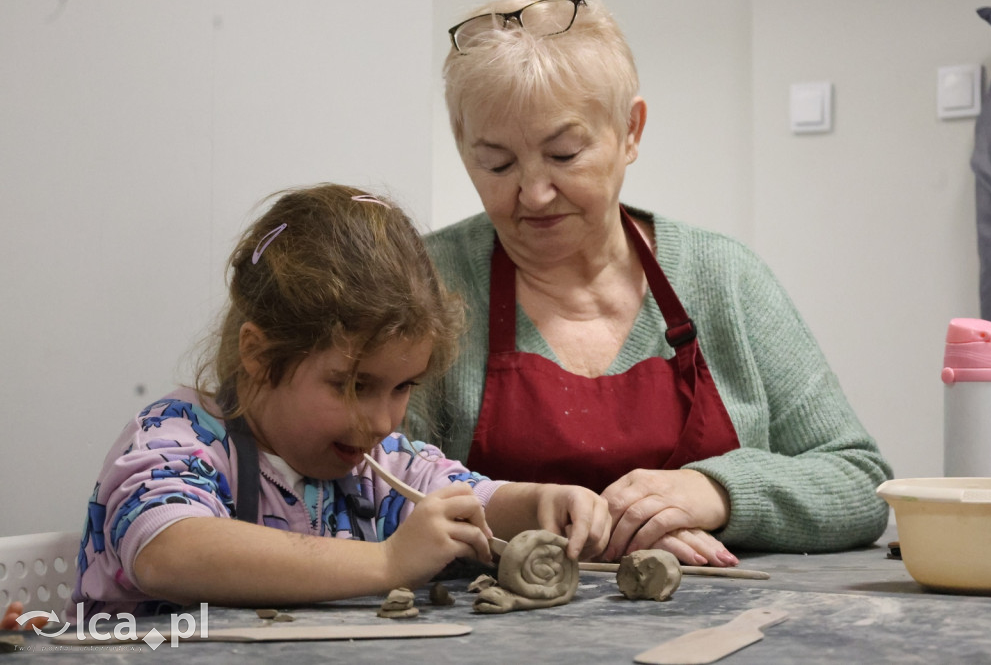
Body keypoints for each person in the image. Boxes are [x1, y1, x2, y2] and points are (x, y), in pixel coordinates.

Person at [406, 0, 893, 568]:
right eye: (497, 163)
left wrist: (718, 493)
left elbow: (861, 482)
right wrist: (604, 533)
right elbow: (365, 487)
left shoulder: (723, 279)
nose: (534, 193)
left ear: (630, 131)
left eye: (564, 155)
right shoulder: (423, 286)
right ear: (463, 148)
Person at [70, 183, 610, 620]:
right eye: (353, 386)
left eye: (403, 388)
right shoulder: (175, 438)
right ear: (258, 354)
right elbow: (169, 552)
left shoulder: (377, 466)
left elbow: (469, 500)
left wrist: (543, 501)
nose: (381, 420)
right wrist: (388, 562)